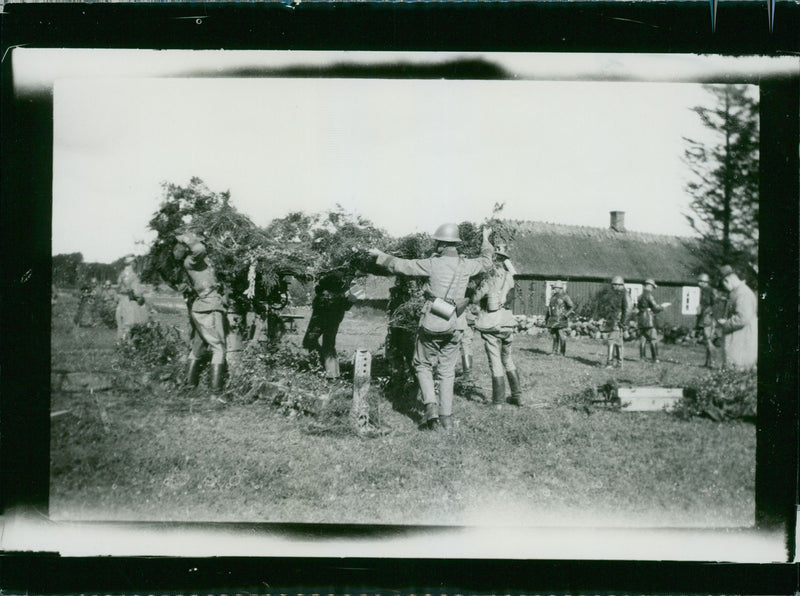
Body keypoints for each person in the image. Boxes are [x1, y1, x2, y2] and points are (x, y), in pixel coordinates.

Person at [368, 224, 494, 431]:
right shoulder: (467, 265)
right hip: (457, 324)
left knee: (422, 365)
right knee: (447, 371)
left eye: (437, 242)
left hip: (434, 322)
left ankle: (431, 411)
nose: (435, 245)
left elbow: (401, 266)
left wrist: (380, 255)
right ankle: (447, 418)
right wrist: (486, 239)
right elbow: (487, 262)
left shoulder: (432, 264)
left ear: (442, 244)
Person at [174, 232, 227, 392]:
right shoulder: (191, 261)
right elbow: (200, 248)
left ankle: (190, 385)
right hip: (209, 305)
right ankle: (215, 390)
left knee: (198, 347)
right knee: (218, 348)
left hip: (201, 306)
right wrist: (188, 238)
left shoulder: (197, 262)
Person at [473, 242, 522, 406]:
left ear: (493, 258)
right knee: (507, 358)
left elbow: (475, 297)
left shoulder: (489, 277)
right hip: (507, 322)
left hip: (492, 322)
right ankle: (517, 396)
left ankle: (498, 402)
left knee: (495, 361)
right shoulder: (509, 276)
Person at [302, 271, 353, 378]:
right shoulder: (337, 293)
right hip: (330, 317)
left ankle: (326, 370)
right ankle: (330, 371)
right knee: (326, 344)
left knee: (314, 342)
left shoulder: (327, 293)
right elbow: (345, 306)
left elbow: (342, 306)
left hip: (323, 318)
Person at [716, 265, 758, 370]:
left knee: (736, 371)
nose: (725, 289)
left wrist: (725, 323)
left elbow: (743, 318)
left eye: (723, 285)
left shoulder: (742, 294)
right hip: (739, 341)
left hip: (741, 344)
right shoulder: (739, 292)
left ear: (726, 281)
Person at [115, 256, 149, 339]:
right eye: (135, 262)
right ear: (132, 263)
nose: (136, 265)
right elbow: (135, 290)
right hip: (130, 300)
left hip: (123, 299)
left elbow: (119, 287)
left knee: (123, 322)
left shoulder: (122, 274)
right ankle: (129, 341)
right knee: (131, 321)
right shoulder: (132, 275)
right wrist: (140, 296)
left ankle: (123, 341)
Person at [603, 276, 631, 369]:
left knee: (611, 341)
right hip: (614, 321)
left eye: (614, 285)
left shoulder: (624, 294)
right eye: (613, 285)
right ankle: (619, 363)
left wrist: (623, 323)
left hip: (618, 322)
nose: (613, 287)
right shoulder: (617, 294)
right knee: (618, 342)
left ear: (619, 285)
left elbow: (628, 310)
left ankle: (610, 363)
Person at [636, 279, 664, 363]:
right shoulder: (649, 296)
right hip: (649, 320)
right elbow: (655, 308)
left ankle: (642, 357)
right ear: (650, 286)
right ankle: (655, 358)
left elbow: (638, 308)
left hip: (641, 319)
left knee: (643, 338)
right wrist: (662, 307)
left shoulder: (639, 296)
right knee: (653, 338)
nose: (652, 289)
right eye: (652, 287)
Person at [546, 280, 574, 356]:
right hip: (553, 319)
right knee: (554, 336)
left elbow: (571, 307)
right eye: (554, 288)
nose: (554, 289)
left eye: (555, 288)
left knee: (561, 335)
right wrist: (547, 317)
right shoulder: (553, 296)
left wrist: (565, 315)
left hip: (561, 319)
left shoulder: (565, 296)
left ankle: (562, 352)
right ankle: (554, 351)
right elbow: (549, 308)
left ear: (560, 288)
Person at [696, 272, 717, 368]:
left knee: (708, 340)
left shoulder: (709, 290)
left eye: (700, 281)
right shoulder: (704, 290)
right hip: (705, 317)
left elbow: (713, 305)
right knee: (707, 340)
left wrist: (705, 313)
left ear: (705, 282)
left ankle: (712, 363)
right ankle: (707, 363)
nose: (698, 283)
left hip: (708, 317)